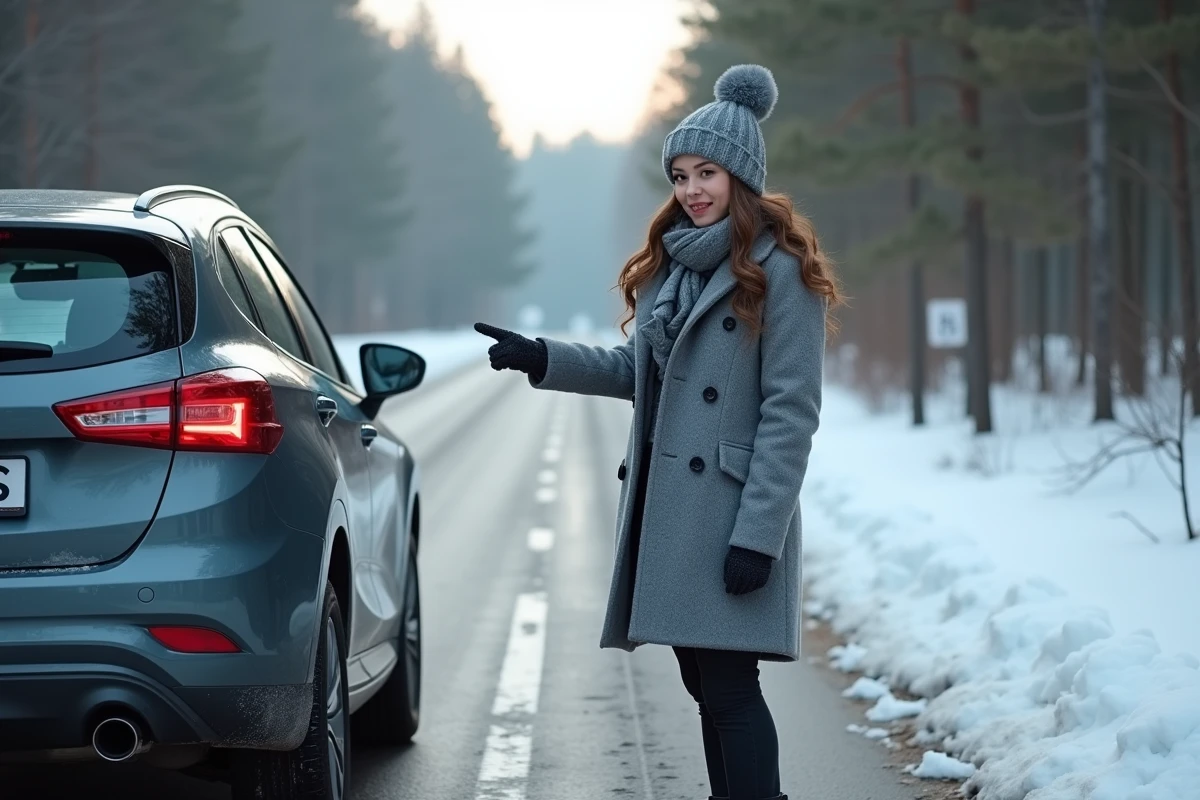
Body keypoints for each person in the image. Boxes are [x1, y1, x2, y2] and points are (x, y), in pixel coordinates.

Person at [474, 63, 841, 800]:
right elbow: (638, 372)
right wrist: (543, 357)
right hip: (673, 512)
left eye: (707, 173)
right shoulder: (677, 268)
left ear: (741, 176)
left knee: (731, 688)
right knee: (706, 684)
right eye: (680, 175)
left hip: (729, 514)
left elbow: (791, 413)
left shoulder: (783, 272)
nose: (691, 190)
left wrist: (758, 534)